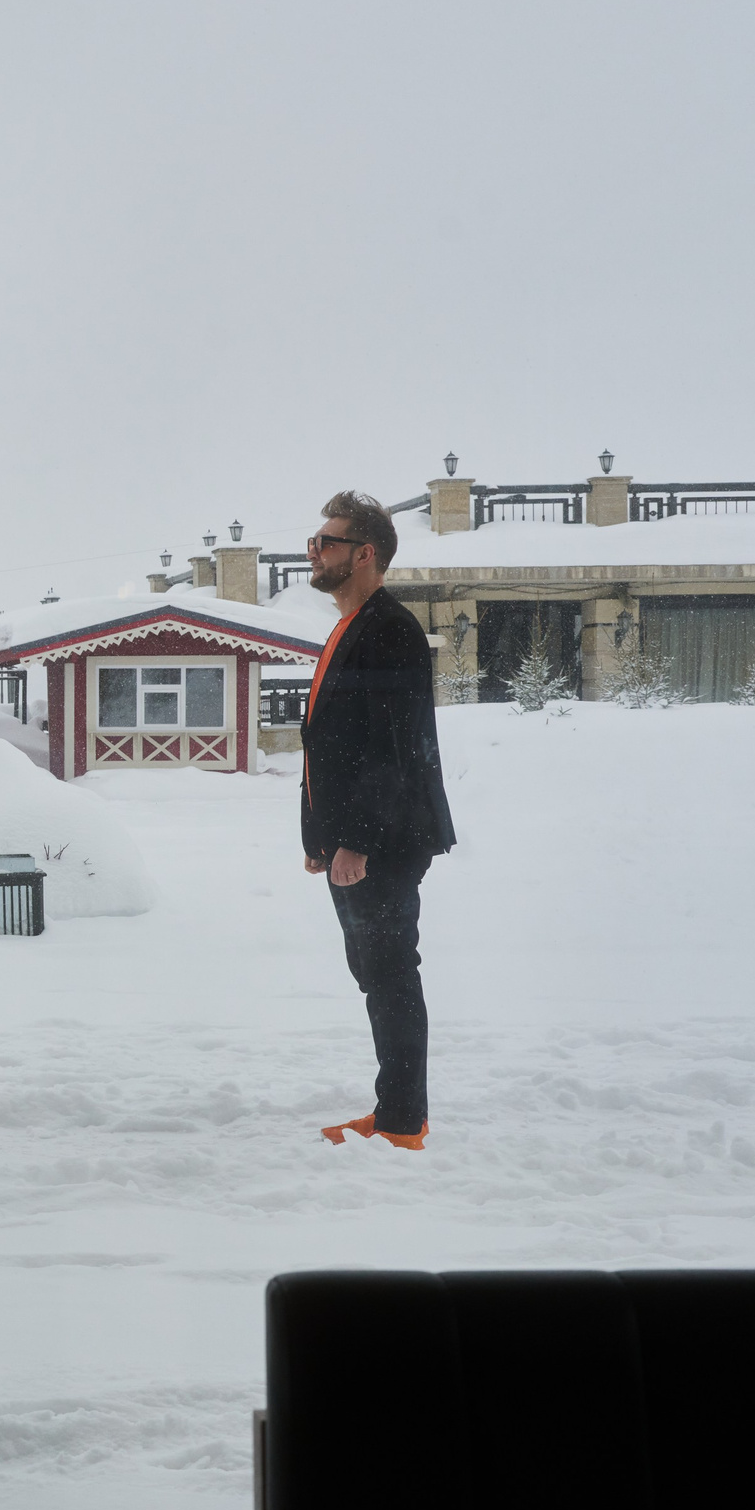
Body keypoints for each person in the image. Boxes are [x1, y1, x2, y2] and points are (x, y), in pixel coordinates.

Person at [298, 492, 456, 1151]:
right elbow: (331, 742)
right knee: (376, 970)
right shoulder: (352, 625)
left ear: (365, 554)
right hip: (357, 838)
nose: (315, 551)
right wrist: (320, 837)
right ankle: (395, 1111)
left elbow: (391, 748)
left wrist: (358, 840)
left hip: (385, 838)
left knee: (390, 970)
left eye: (327, 542)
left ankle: (402, 1121)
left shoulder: (388, 630)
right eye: (315, 540)